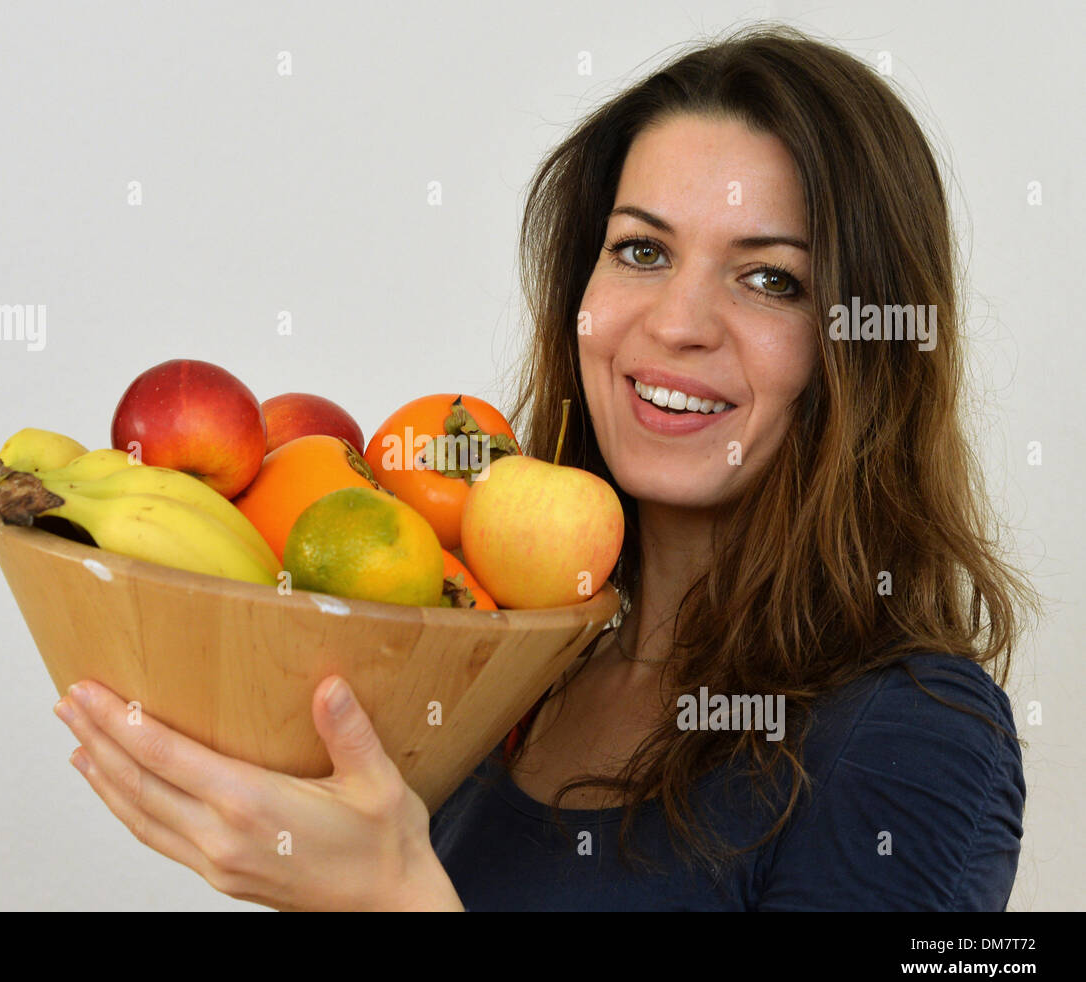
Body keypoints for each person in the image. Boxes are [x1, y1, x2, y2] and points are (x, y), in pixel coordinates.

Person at [51, 24, 1038, 911]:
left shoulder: (912, 735)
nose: (676, 324)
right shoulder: (507, 660)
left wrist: (390, 902)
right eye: (641, 251)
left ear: (858, 348)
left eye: (768, 278)